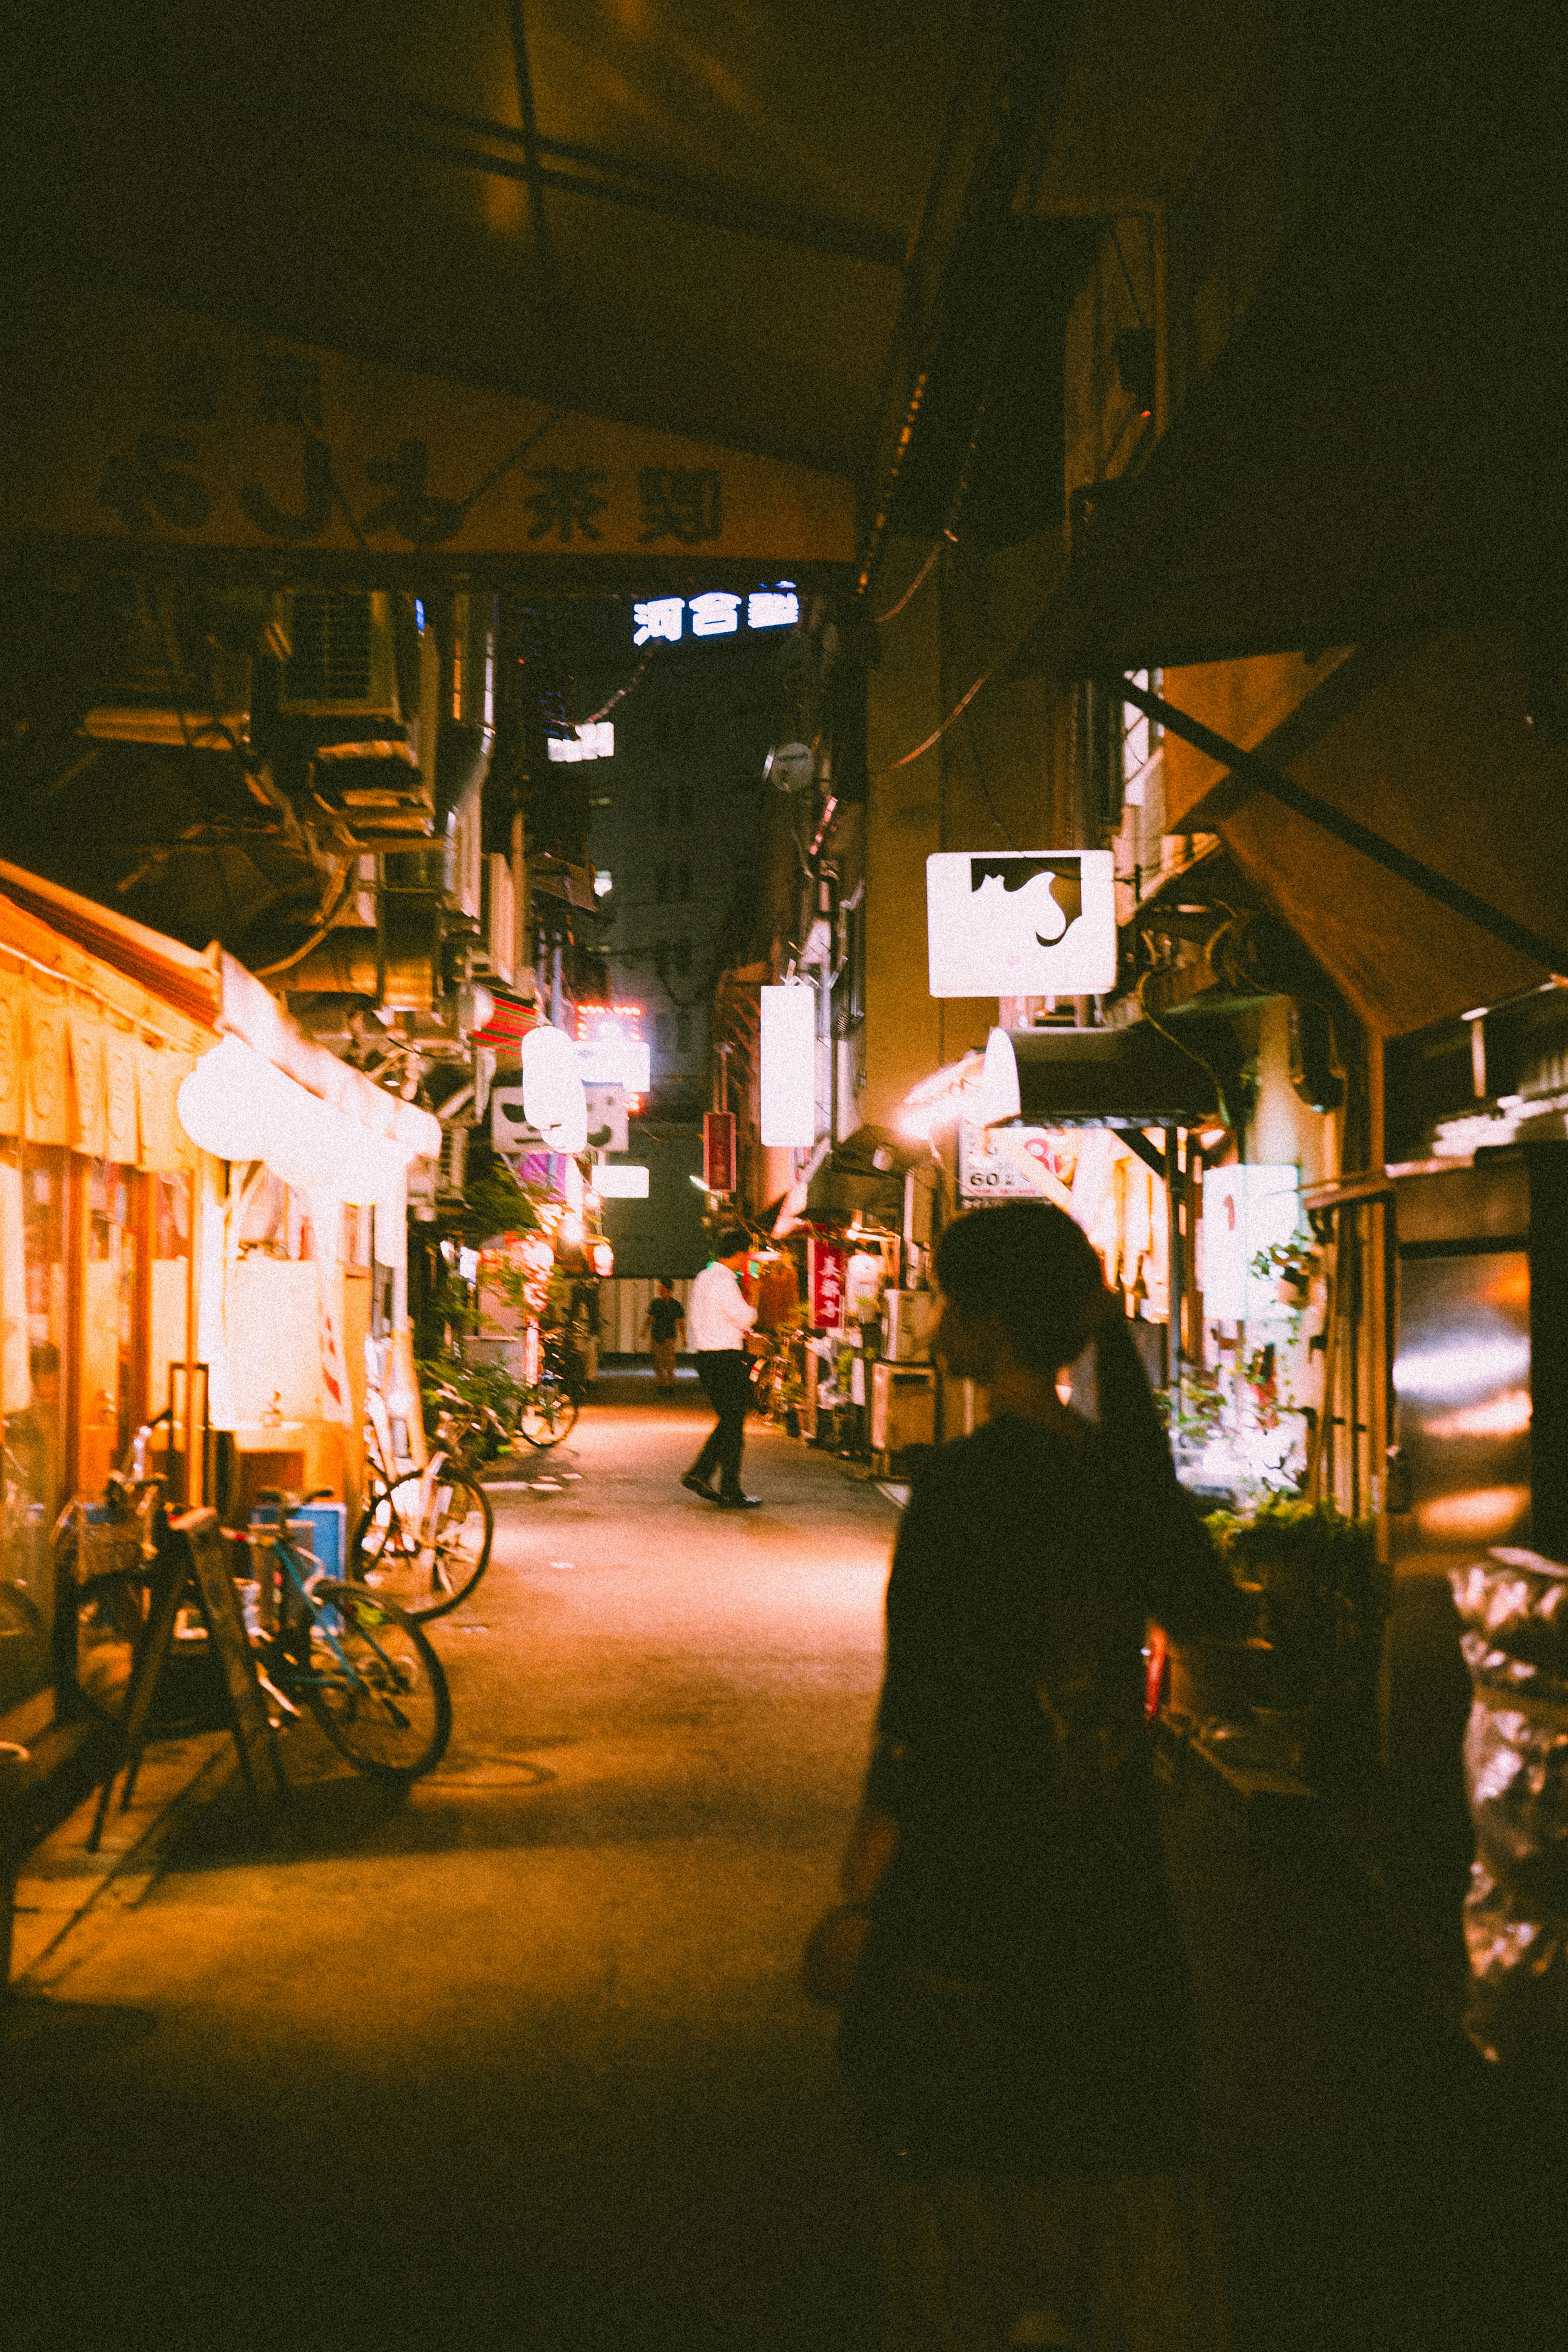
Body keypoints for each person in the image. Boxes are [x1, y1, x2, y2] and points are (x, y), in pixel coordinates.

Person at [822, 1202, 1249, 2352]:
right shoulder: (1116, 1472)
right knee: (1105, 2135)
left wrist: (860, 1894)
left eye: (955, 1298)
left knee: (969, 2145)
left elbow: (916, 1719)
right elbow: (1213, 1618)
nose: (938, 1317)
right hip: (1109, 1869)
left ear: (989, 1320)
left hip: (970, 1874)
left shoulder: (961, 1485)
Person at [681, 1228, 763, 1509]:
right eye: (746, 1255)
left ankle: (716, 1482)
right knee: (732, 1422)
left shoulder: (704, 1278)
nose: (746, 1261)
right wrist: (755, 1303)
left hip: (706, 1356)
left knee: (731, 1422)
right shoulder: (726, 1283)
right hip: (725, 1359)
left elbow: (697, 1317)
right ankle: (710, 1479)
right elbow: (745, 1317)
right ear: (739, 1253)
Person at [643, 1279, 686, 1390]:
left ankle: (670, 1383)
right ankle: (663, 1384)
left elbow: (680, 1322)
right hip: (657, 1335)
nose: (660, 1290)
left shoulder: (676, 1305)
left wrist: (684, 1337)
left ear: (668, 1290)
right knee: (658, 1360)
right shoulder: (656, 1303)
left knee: (669, 1360)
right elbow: (650, 1318)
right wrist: (645, 1330)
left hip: (670, 1336)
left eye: (662, 1288)